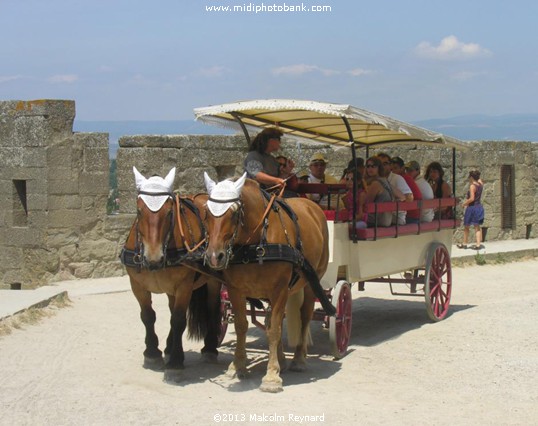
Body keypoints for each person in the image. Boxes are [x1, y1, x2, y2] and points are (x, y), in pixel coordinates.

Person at [243, 127, 297, 197]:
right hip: (255, 194)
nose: (280, 143)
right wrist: (276, 180)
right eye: (279, 140)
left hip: (270, 194)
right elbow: (257, 175)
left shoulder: (273, 160)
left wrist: (287, 170)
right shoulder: (253, 155)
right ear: (271, 141)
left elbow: (278, 179)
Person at [377, 153, 410, 224]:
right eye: (379, 164)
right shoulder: (375, 180)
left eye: (385, 164)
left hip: (396, 217)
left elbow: (409, 198)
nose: (382, 166)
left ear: (390, 165)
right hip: (381, 215)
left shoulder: (397, 178)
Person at [390, 156, 423, 224]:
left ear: (402, 168)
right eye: (391, 169)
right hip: (414, 214)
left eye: (395, 168)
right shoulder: (405, 178)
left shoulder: (402, 178)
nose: (393, 171)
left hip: (411, 216)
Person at [364, 156, 394, 227]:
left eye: (373, 166)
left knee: (348, 225)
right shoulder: (385, 181)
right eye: (368, 166)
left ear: (379, 168)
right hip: (386, 220)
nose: (370, 169)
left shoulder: (375, 184)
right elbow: (401, 196)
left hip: (375, 221)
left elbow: (366, 203)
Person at [458, 170, 485, 250]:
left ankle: (465, 243)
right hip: (479, 207)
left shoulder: (472, 186)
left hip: (472, 208)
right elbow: (480, 180)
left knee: (466, 226)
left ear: (472, 177)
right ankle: (478, 244)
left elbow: (472, 198)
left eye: (469, 177)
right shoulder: (480, 184)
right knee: (477, 227)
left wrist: (464, 204)